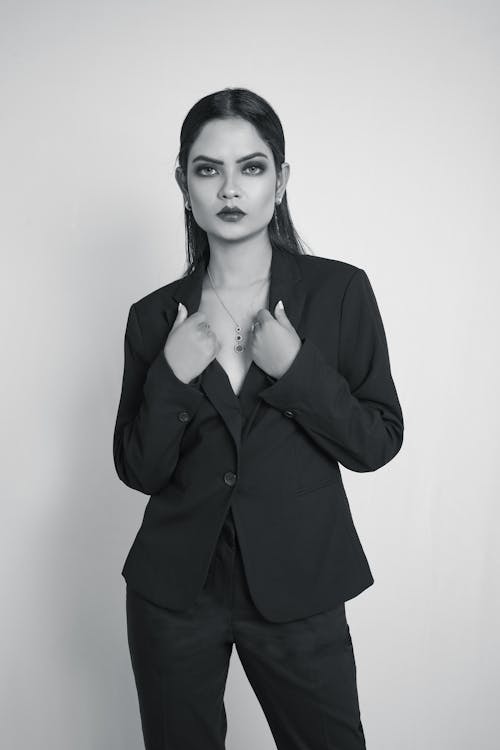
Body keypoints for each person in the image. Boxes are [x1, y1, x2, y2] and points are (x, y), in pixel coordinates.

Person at [113, 87, 404, 750]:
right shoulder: (155, 317)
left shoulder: (339, 292)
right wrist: (171, 378)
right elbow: (139, 467)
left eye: (251, 166)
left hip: (300, 584)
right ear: (184, 183)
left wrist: (299, 368)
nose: (229, 188)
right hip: (174, 595)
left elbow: (377, 440)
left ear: (281, 180)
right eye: (208, 169)